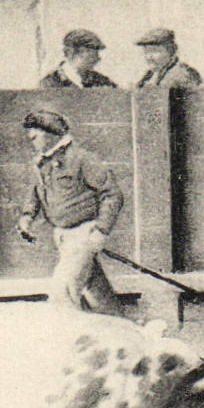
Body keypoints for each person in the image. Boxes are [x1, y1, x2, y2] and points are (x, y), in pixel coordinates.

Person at [18, 110, 126, 316]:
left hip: (82, 235)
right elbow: (36, 191)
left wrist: (101, 231)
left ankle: (62, 339)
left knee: (63, 291)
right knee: (95, 290)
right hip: (62, 236)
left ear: (52, 133)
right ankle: (126, 330)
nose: (31, 138)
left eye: (36, 133)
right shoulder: (42, 163)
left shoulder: (82, 158)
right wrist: (27, 216)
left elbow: (112, 194)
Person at [41, 30, 118, 89]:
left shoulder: (102, 81)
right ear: (73, 53)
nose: (97, 59)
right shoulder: (49, 83)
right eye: (92, 56)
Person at [135, 27, 203, 89]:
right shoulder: (150, 76)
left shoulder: (182, 74)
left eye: (155, 51)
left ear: (171, 51)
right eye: (146, 51)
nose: (149, 57)